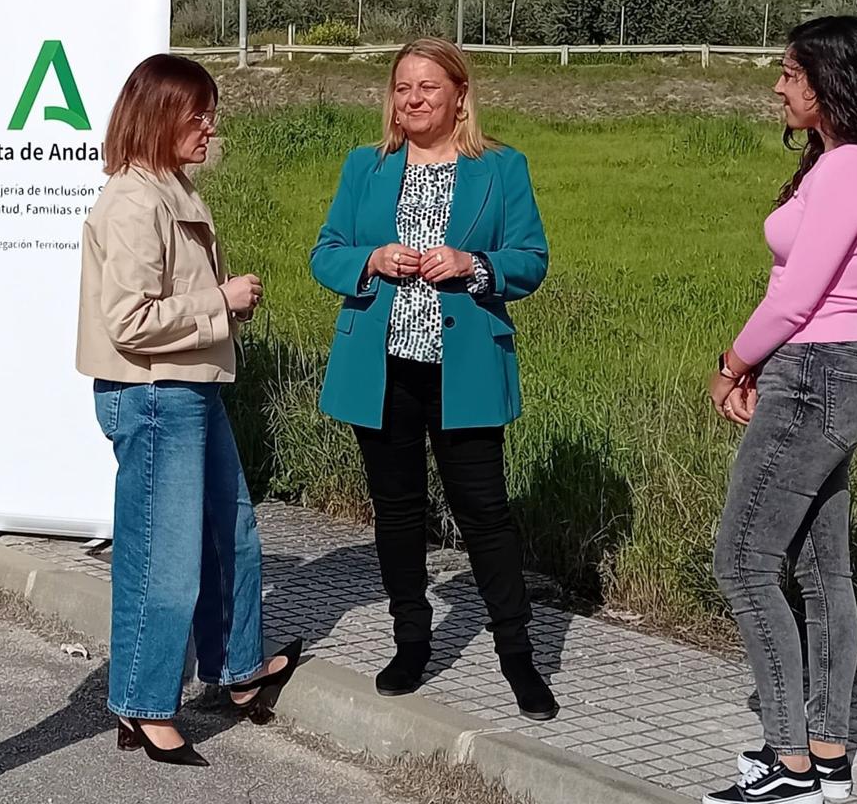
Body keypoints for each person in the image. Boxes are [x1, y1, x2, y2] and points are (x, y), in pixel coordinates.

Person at [705, 17, 857, 804]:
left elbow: (798, 295)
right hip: (833, 367)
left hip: (818, 371)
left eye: (791, 73)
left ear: (829, 81)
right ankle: (825, 752)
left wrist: (734, 362)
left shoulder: (845, 171)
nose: (778, 86)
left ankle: (790, 764)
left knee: (742, 559)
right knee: (819, 564)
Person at [309, 38, 556, 720]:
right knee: (397, 512)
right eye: (402, 88)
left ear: (458, 96)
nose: (412, 99)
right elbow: (324, 252)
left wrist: (473, 267)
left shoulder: (501, 167)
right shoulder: (367, 166)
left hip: (465, 367)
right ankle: (411, 641)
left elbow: (531, 260)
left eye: (427, 87)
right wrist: (372, 258)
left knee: (486, 513)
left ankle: (518, 655)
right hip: (380, 365)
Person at [76, 53, 302, 767]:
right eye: (197, 114)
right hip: (152, 395)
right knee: (163, 559)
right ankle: (143, 706)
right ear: (158, 117)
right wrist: (221, 302)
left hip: (184, 388)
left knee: (229, 534)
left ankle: (235, 670)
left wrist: (217, 311)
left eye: (212, 113)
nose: (211, 127)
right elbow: (129, 319)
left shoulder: (164, 187)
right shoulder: (133, 201)